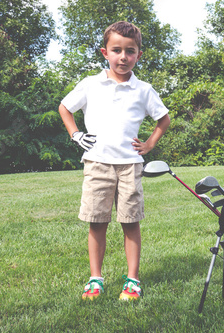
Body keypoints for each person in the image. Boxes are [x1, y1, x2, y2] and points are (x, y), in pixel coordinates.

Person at [58, 21, 171, 301]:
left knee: (130, 222)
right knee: (97, 222)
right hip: (97, 162)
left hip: (131, 165)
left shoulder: (143, 90)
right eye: (117, 50)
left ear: (138, 55)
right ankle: (95, 279)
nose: (123, 57)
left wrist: (149, 144)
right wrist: (75, 135)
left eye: (130, 51)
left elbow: (163, 118)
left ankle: (132, 280)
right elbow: (65, 107)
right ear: (105, 52)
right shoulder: (91, 84)